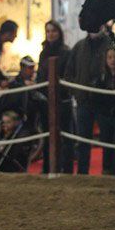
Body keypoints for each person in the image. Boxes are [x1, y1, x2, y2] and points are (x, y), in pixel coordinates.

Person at [64, 26, 112, 174]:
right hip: (84, 101)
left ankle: (108, 172)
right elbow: (69, 73)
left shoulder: (112, 44)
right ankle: (82, 173)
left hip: (105, 102)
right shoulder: (79, 47)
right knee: (83, 140)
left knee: (108, 139)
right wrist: (76, 92)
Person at [37, 20, 73, 174]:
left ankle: (67, 169)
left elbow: (68, 76)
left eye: (53, 31)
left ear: (59, 33)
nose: (50, 34)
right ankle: (48, 168)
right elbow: (40, 76)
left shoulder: (66, 52)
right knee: (48, 135)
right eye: (48, 31)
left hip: (62, 100)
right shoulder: (43, 53)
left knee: (65, 137)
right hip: (46, 101)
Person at [94, 48, 115, 175]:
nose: (112, 60)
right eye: (109, 57)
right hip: (105, 115)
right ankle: (106, 169)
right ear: (105, 60)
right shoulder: (101, 77)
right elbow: (97, 97)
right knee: (106, 143)